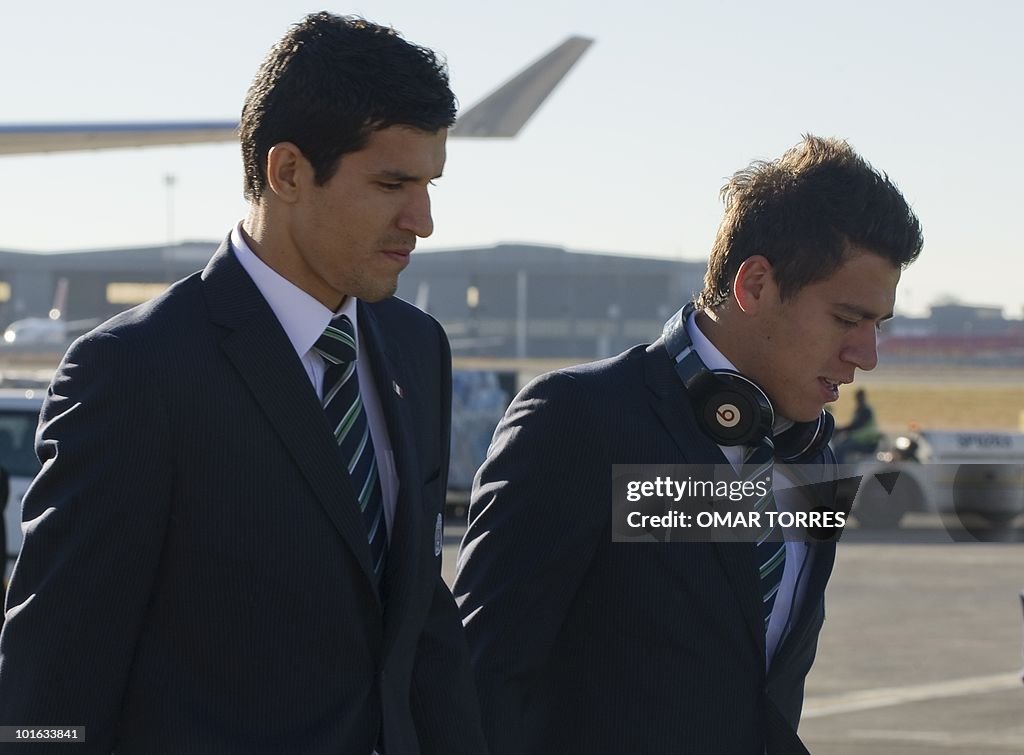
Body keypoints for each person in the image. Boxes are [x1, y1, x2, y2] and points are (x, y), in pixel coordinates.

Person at [0, 13, 487, 754]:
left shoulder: (418, 350)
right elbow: (49, 680)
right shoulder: (136, 373)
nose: (422, 219)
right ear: (287, 171)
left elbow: (419, 624)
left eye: (427, 183)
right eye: (393, 182)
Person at [453, 135, 923, 754]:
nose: (867, 355)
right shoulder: (579, 420)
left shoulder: (813, 454)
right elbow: (481, 682)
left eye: (877, 326)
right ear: (754, 285)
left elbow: (766, 689)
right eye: (845, 319)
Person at [834, 388, 882, 462]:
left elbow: (856, 425)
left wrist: (840, 430)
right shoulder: (861, 409)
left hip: (867, 442)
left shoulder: (865, 411)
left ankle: (838, 470)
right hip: (862, 439)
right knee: (841, 444)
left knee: (840, 449)